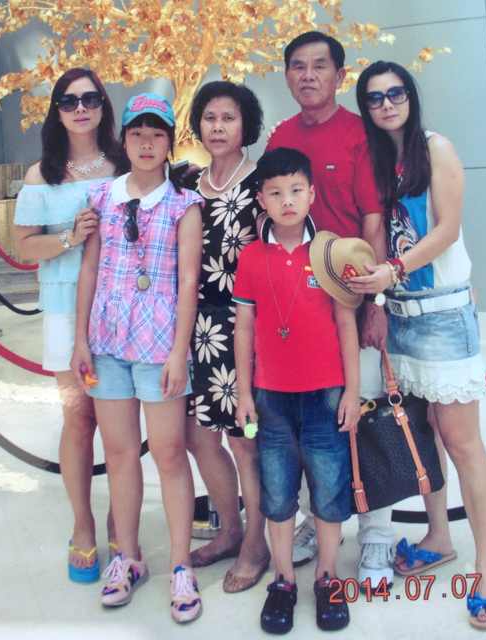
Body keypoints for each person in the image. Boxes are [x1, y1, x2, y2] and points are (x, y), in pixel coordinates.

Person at [351, 60, 486, 630]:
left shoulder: (435, 148)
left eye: (395, 93)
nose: (387, 104)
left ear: (410, 96)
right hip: (399, 318)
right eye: (374, 97)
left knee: (463, 442)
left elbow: (446, 229)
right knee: (424, 437)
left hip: (442, 315)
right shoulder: (376, 160)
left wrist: (392, 270)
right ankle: (439, 536)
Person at [266, 30, 395, 587]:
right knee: (304, 422)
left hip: (351, 299)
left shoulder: (359, 134)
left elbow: (374, 220)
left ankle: (377, 537)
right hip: (297, 309)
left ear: (340, 76)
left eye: (320, 66)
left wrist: (376, 301)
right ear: (287, 76)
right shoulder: (281, 136)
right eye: (298, 66)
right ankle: (312, 523)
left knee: (363, 416)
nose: (308, 75)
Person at [70, 93, 204, 623]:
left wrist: (178, 352)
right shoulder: (102, 197)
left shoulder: (184, 205)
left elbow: (189, 282)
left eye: (157, 134)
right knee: (121, 453)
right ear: (123, 140)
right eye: (137, 134)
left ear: (170, 142)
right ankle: (127, 558)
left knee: (169, 453)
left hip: (159, 344)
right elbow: (89, 269)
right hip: (106, 342)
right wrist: (81, 339)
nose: (147, 143)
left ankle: (180, 565)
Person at [234, 147, 360, 634]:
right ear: (261, 201)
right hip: (271, 396)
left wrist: (352, 390)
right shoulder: (251, 257)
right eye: (275, 193)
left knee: (329, 486)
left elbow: (346, 324)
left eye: (295, 191)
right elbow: (245, 328)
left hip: (326, 392)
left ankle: (327, 576)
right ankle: (283, 579)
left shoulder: (330, 252)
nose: (286, 201)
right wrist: (244, 394)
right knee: (278, 490)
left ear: (311, 194)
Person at [14, 68, 126, 584]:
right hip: (64, 307)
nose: (80, 108)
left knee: (121, 423)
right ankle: (83, 524)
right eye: (68, 100)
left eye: (90, 99)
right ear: (56, 110)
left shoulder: (126, 163)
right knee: (78, 418)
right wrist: (69, 238)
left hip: (122, 306)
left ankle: (120, 520)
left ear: (103, 105)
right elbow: (24, 245)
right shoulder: (43, 175)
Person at [184, 81, 271, 593]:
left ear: (246, 125)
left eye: (228, 118)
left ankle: (256, 543)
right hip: (194, 329)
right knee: (200, 438)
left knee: (245, 441)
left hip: (243, 329)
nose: (217, 127)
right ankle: (230, 529)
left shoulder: (261, 183)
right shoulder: (187, 183)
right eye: (210, 117)